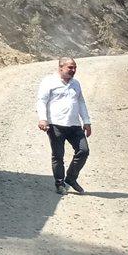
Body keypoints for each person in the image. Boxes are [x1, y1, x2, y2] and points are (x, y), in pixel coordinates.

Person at [35, 57, 92, 194]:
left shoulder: (76, 83)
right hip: (56, 125)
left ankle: (71, 178)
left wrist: (86, 121)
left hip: (74, 125)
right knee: (58, 155)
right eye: (70, 67)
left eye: (75, 67)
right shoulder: (49, 82)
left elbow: (81, 102)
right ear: (61, 67)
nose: (73, 70)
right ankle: (59, 183)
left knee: (83, 151)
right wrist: (43, 119)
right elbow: (41, 101)